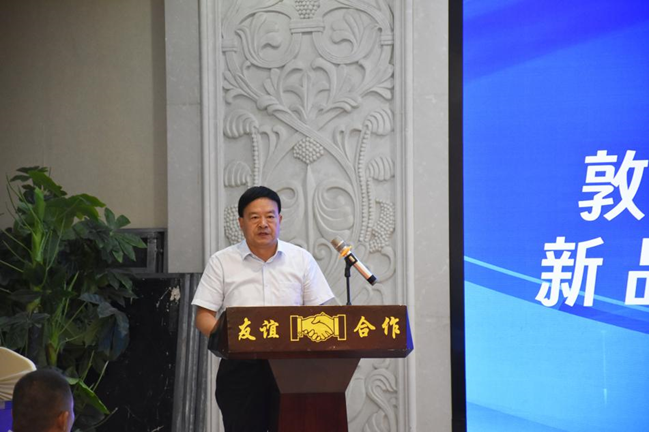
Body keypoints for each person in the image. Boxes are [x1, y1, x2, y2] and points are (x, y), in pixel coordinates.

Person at [192, 186, 335, 432]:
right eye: (254, 217)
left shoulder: (301, 259)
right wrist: (231, 339)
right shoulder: (222, 262)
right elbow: (203, 316)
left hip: (293, 367)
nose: (263, 223)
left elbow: (320, 313)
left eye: (270, 216)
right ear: (241, 222)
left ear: (280, 220)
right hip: (241, 368)